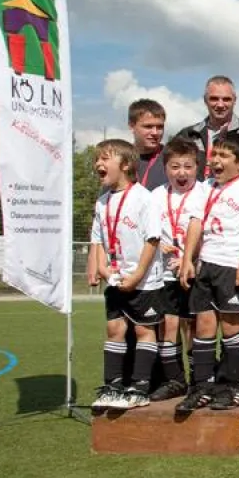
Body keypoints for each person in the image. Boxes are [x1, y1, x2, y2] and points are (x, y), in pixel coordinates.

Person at [177, 131, 239, 412]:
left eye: (224, 156)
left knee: (231, 327)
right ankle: (202, 385)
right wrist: (188, 258)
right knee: (203, 326)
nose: (216, 160)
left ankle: (232, 386)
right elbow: (195, 221)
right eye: (215, 154)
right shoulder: (204, 187)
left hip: (231, 266)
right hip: (207, 264)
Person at [89, 139, 164, 410]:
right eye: (97, 159)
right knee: (114, 328)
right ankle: (113, 386)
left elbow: (152, 239)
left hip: (144, 279)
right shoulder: (102, 201)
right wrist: (101, 267)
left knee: (144, 329)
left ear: (126, 164)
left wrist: (138, 274)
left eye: (104, 158)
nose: (98, 163)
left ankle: (140, 387)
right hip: (115, 277)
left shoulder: (145, 198)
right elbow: (97, 239)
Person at [146, 137, 208, 401]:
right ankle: (175, 379)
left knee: (193, 325)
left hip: (198, 269)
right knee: (168, 324)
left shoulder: (205, 192)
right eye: (174, 167)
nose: (181, 173)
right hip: (164, 272)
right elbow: (146, 232)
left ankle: (198, 379)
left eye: (187, 166)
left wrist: (189, 258)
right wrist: (160, 246)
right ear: (165, 168)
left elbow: (210, 228)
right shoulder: (155, 196)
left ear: (197, 167)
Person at [175, 75, 239, 178]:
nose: (220, 105)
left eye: (226, 99)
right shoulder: (188, 134)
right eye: (214, 99)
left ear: (234, 100)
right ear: (205, 100)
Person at [128, 98, 169, 190]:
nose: (155, 132)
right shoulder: (120, 160)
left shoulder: (172, 158)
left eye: (159, 127)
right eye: (148, 126)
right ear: (131, 126)